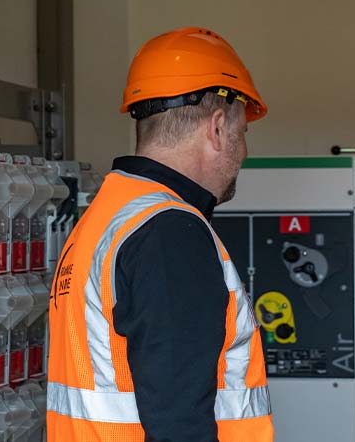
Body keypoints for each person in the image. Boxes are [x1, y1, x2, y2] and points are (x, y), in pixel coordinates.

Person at [46, 27, 273, 442]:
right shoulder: (170, 232)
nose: (244, 152)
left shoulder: (111, 214)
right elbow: (179, 423)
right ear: (218, 127)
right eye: (243, 134)